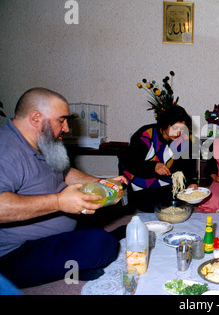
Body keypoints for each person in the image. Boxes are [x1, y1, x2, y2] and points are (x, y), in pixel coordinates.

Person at [0, 87, 127, 288]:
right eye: (62, 120)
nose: (67, 128)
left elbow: (66, 173)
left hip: (54, 231)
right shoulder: (6, 149)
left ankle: (78, 260)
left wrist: (102, 183)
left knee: (109, 207)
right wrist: (59, 202)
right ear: (35, 118)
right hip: (13, 254)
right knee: (102, 244)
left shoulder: (41, 141)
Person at [120, 104, 197, 212]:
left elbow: (188, 165)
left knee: (179, 201)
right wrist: (154, 166)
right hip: (139, 181)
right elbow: (130, 163)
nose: (178, 133)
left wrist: (191, 182)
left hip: (164, 182)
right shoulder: (145, 135)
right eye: (175, 128)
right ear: (165, 124)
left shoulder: (183, 139)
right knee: (154, 205)